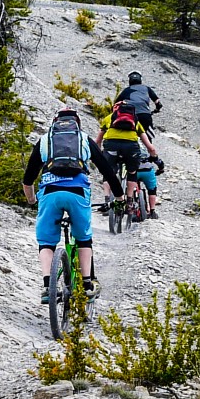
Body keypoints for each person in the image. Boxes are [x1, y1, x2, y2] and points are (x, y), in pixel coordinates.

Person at [22, 106, 123, 302]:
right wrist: (119, 198)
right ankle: (87, 284)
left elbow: (28, 179)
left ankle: (47, 287)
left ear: (54, 123)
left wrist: (32, 200)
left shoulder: (44, 140)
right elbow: (108, 172)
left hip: (50, 193)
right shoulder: (84, 139)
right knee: (84, 238)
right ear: (77, 123)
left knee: (46, 241)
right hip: (78, 192)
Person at [97, 99, 165, 219]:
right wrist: (154, 157)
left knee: (108, 172)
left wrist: (99, 154)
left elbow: (98, 140)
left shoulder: (108, 118)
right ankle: (129, 202)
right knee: (132, 172)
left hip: (111, 146)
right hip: (130, 148)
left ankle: (107, 199)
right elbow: (150, 147)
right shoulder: (135, 120)